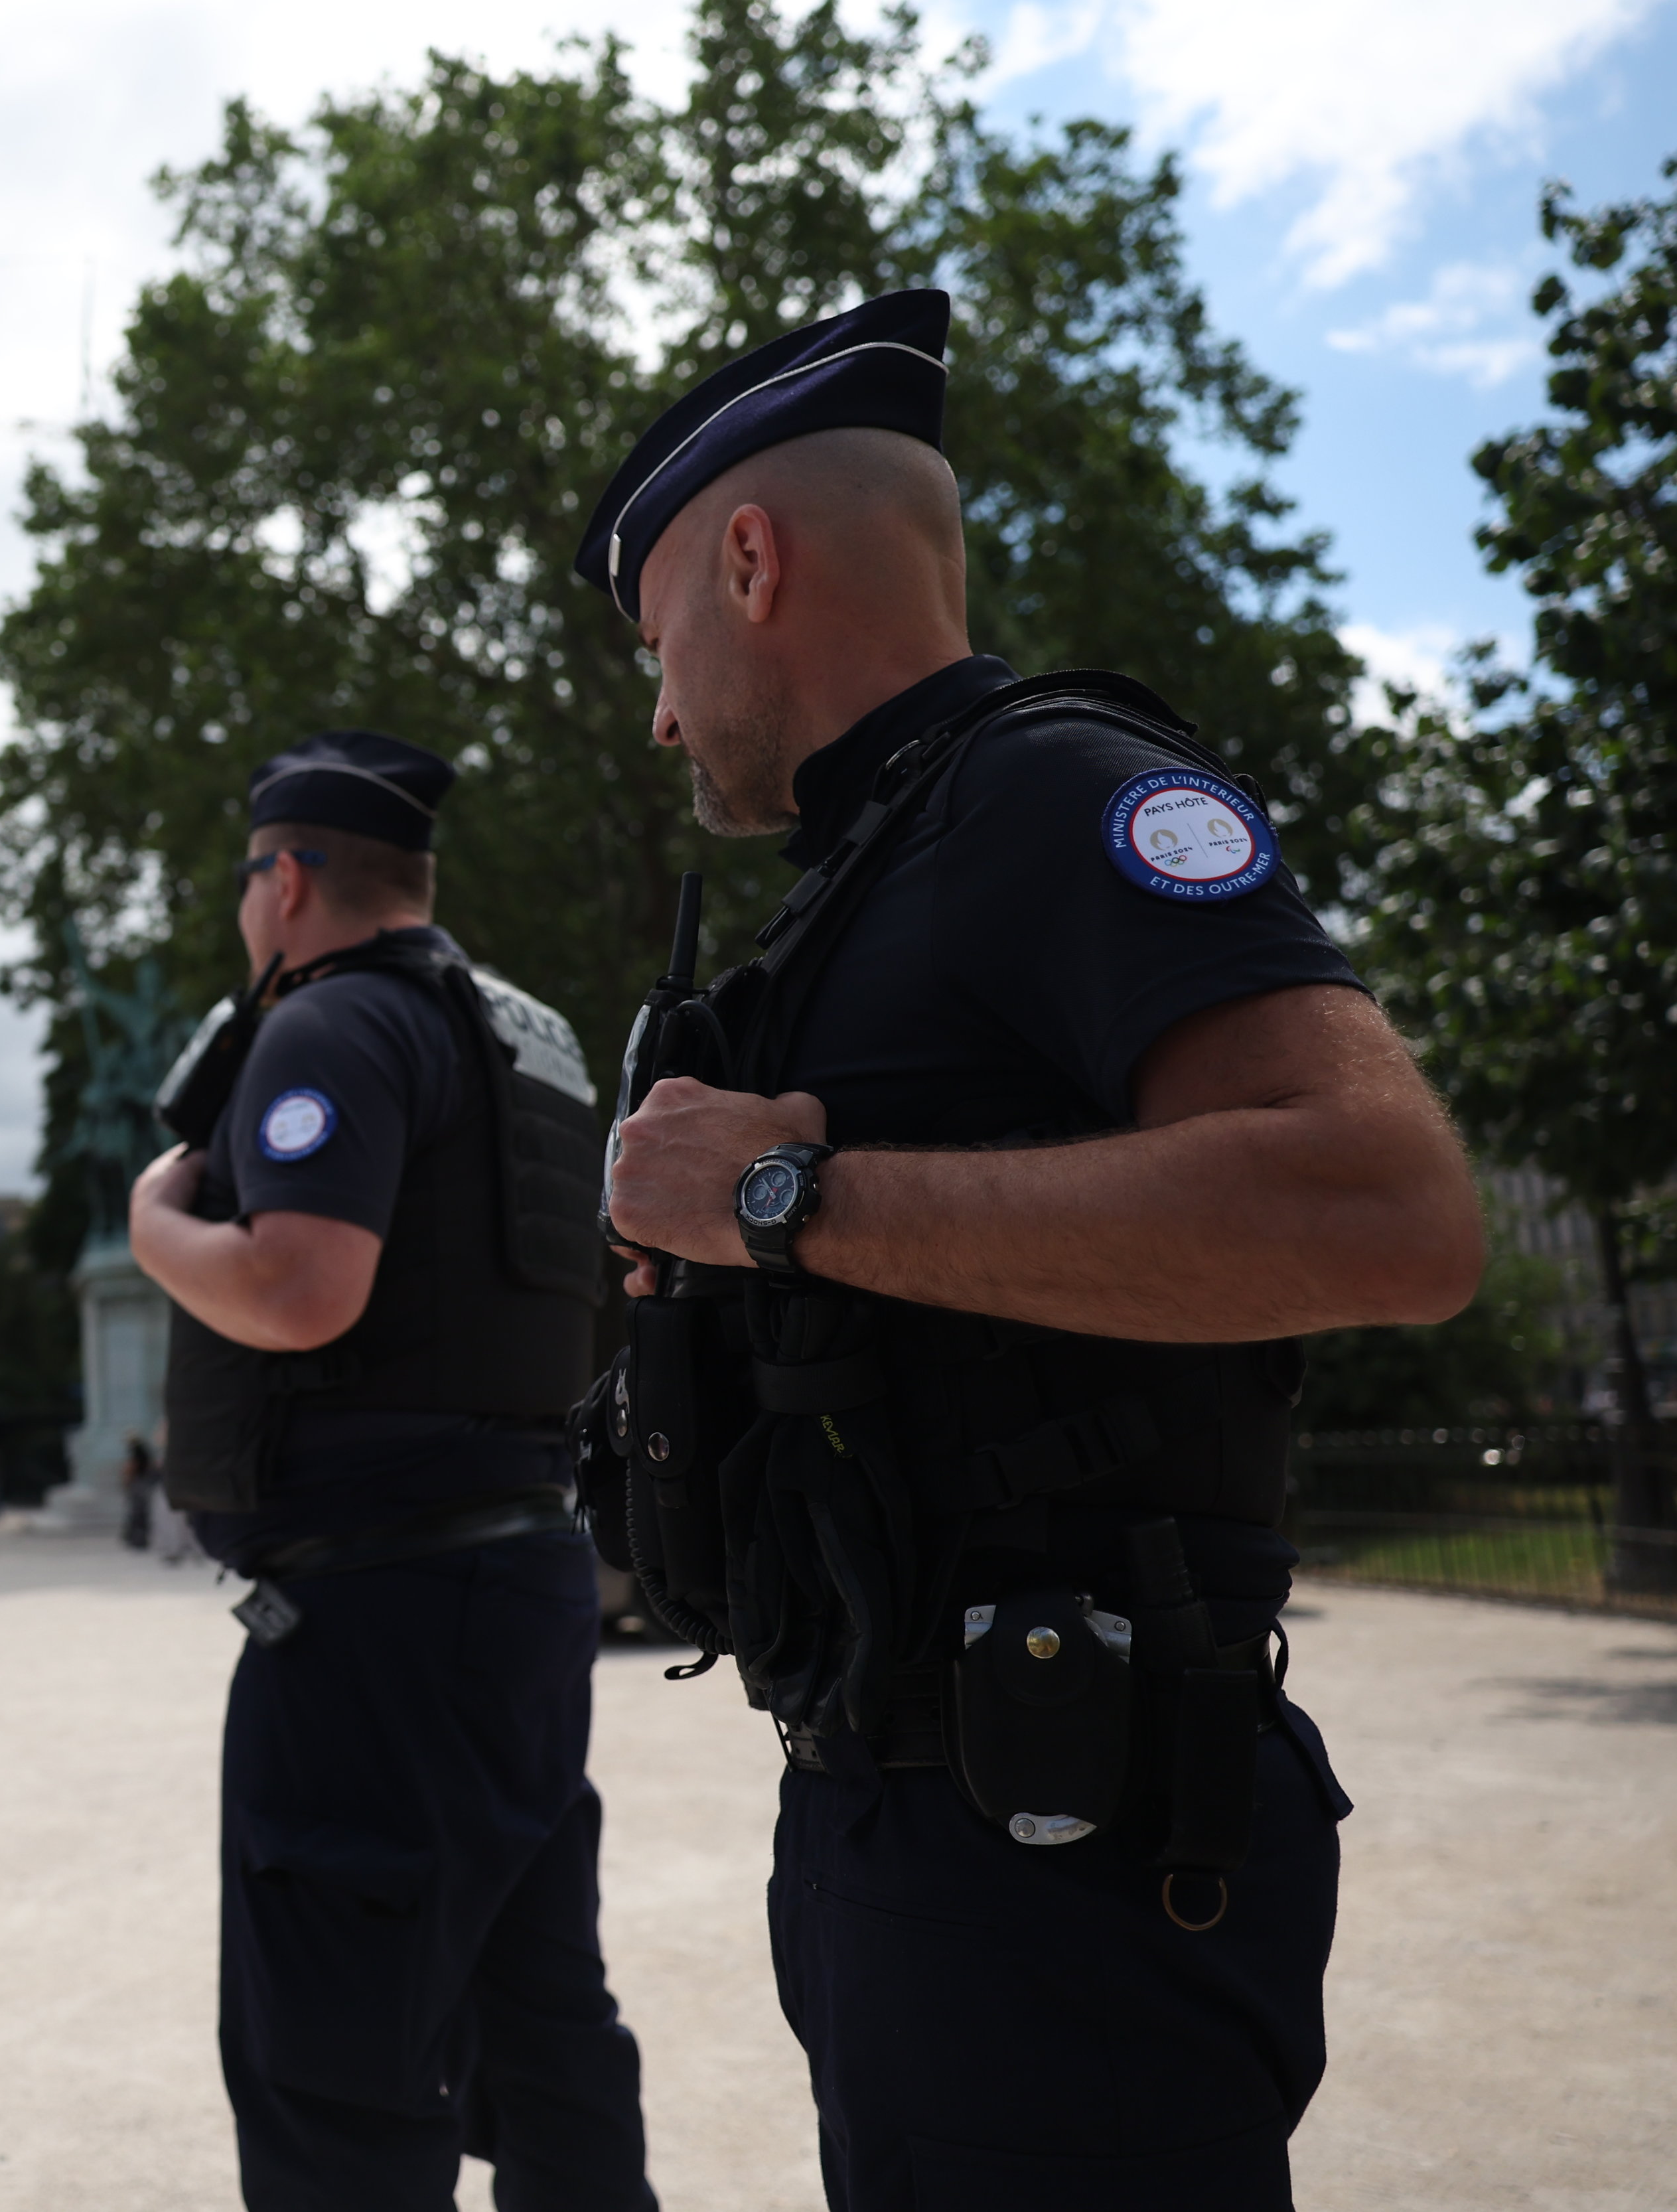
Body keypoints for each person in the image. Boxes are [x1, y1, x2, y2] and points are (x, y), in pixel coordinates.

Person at [577, 291, 1483, 2207]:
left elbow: (1388, 1210)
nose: (659, 708)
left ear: (751, 560)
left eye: (657, 635)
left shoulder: (1048, 793)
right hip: (925, 1816)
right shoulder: (876, 868)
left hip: (1066, 1859)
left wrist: (784, 1199)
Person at [128, 729, 651, 2208]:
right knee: (538, 2014)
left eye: (248, 882)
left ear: (287, 878)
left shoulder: (328, 1025)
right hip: (518, 1582)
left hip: (374, 1617)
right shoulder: (524, 1030)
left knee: (334, 2063)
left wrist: (156, 1219)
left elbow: (300, 1291)